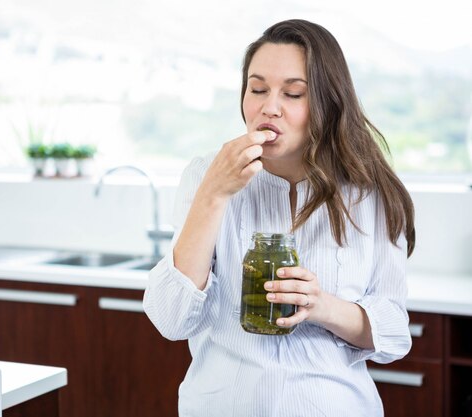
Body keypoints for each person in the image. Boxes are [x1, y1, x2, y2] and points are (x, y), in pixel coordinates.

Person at [143, 19, 415, 417]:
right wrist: (214, 193)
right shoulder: (207, 174)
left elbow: (393, 332)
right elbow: (170, 319)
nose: (269, 107)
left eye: (293, 93)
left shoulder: (368, 192)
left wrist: (321, 305)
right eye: (257, 90)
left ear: (328, 101)